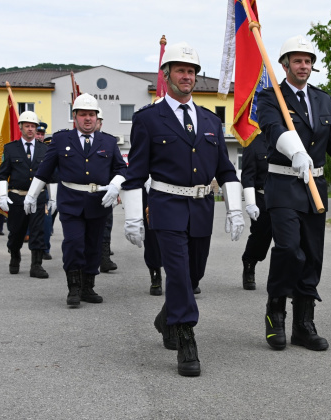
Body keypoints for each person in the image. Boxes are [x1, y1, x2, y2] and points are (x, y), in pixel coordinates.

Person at [122, 42, 244, 377]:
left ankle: (167, 318)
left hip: (202, 207)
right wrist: (133, 217)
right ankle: (186, 338)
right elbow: (136, 172)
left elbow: (226, 170)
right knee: (176, 274)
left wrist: (235, 209)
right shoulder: (148, 119)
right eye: (180, 70)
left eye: (191, 71)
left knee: (194, 275)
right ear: (166, 75)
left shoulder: (209, 120)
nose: (187, 76)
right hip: (166, 207)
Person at [256, 35, 331, 352]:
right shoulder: (269, 97)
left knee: (312, 257)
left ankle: (304, 324)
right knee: (290, 250)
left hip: (314, 187)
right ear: (284, 64)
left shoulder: (323, 100)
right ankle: (275, 311)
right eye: (297, 60)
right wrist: (295, 152)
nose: (303, 66)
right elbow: (274, 130)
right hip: (284, 184)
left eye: (308, 61)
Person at [30, 93, 126, 306]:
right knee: (73, 243)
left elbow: (121, 168)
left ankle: (88, 287)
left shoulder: (108, 141)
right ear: (75, 117)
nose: (88, 118)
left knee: (93, 245)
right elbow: (45, 170)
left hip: (98, 202)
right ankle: (73, 288)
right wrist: (31, 194)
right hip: (71, 201)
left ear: (96, 116)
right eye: (83, 114)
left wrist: (115, 185)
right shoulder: (61, 139)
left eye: (91, 114)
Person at [0, 111, 52, 278]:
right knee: (16, 231)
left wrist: (54, 198)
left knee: (38, 231)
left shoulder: (45, 149)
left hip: (38, 197)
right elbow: (2, 175)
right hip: (17, 197)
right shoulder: (10, 148)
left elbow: (51, 175)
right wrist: (2, 196)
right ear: (20, 127)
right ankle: (15, 256)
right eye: (27, 126)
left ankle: (36, 265)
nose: (30, 129)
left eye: (33, 126)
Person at [240, 135, 272, 291]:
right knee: (261, 236)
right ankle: (249, 262)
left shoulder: (290, 137)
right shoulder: (253, 142)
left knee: (288, 241)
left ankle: (284, 281)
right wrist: (251, 202)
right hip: (262, 197)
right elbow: (247, 175)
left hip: (286, 198)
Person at [94, 108, 118, 274]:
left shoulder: (108, 143)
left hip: (105, 193)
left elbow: (117, 169)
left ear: (100, 123)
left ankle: (104, 259)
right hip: (83, 192)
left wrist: (116, 189)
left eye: (98, 121)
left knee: (106, 226)